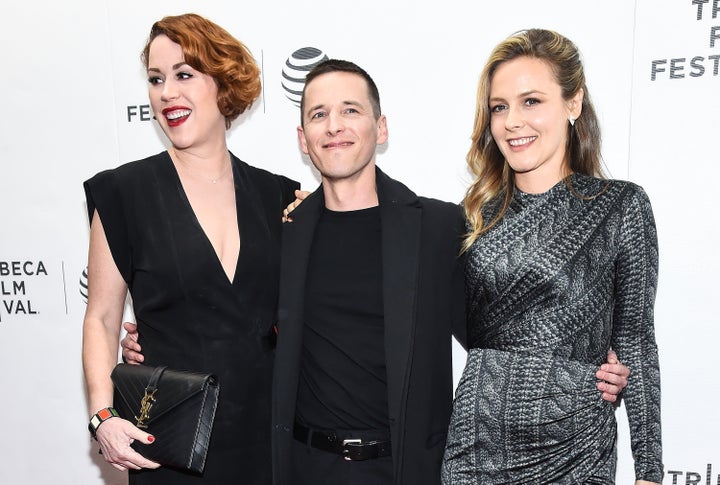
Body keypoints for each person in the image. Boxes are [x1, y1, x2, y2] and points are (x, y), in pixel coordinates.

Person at [122, 59, 631, 484]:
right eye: (318, 114)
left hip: (404, 469)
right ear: (303, 138)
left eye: (350, 110)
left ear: (380, 128)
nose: (334, 125)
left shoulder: (439, 225)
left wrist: (587, 364)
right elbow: (227, 316)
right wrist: (158, 341)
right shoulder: (282, 231)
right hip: (302, 467)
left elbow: (496, 327)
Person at [81, 13, 299, 484]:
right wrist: (103, 417)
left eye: (184, 75)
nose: (166, 93)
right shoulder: (123, 194)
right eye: (157, 79)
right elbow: (100, 317)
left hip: (270, 438)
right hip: (171, 444)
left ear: (222, 84)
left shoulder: (279, 197)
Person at [441, 29, 662, 484]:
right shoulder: (473, 215)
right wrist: (309, 208)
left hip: (576, 448)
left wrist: (650, 471)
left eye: (531, 101)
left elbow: (636, 344)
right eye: (499, 107)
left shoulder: (620, 206)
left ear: (573, 104)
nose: (512, 122)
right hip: (477, 445)